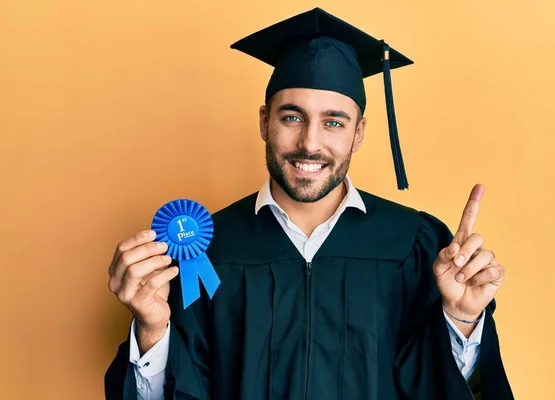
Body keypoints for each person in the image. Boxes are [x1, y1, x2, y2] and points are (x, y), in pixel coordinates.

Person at [105, 7, 513, 400]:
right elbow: (185, 387)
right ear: (264, 121)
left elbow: (442, 388)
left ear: (359, 133)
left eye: (333, 122)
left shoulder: (413, 244)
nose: (310, 144)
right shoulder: (206, 252)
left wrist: (461, 320)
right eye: (292, 117)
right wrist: (152, 330)